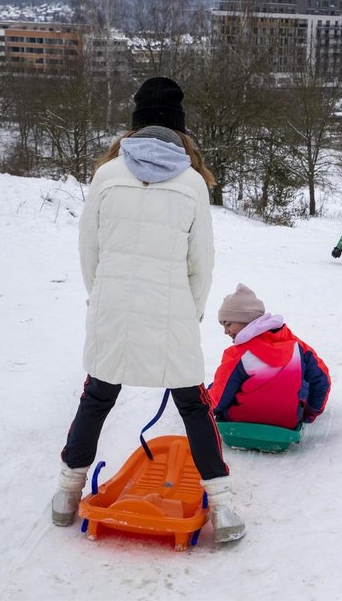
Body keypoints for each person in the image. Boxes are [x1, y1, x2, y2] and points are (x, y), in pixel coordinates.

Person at [51, 76, 245, 543]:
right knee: (194, 405)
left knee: (96, 396)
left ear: (135, 126)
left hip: (112, 307)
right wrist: (189, 312)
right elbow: (201, 263)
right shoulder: (193, 182)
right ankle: (223, 507)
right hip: (171, 308)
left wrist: (106, 297)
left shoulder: (106, 175)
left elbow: (89, 253)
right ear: (180, 129)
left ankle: (65, 493)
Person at [209, 284, 331, 430]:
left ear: (246, 320)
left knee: (220, 384)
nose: (226, 332)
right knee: (300, 383)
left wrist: (201, 407)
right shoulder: (296, 346)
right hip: (287, 423)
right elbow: (321, 379)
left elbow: (219, 399)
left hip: (241, 420)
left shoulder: (237, 354)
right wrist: (311, 411)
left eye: (228, 324)